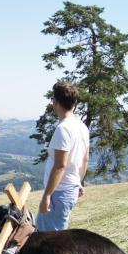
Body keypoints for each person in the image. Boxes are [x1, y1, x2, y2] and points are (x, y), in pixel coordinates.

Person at [37, 81, 90, 231]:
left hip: (58, 193)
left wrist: (47, 196)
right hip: (69, 189)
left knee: (48, 241)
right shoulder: (82, 127)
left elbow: (60, 165)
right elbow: (84, 159)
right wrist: (79, 182)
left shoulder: (63, 129)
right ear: (75, 103)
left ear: (55, 102)